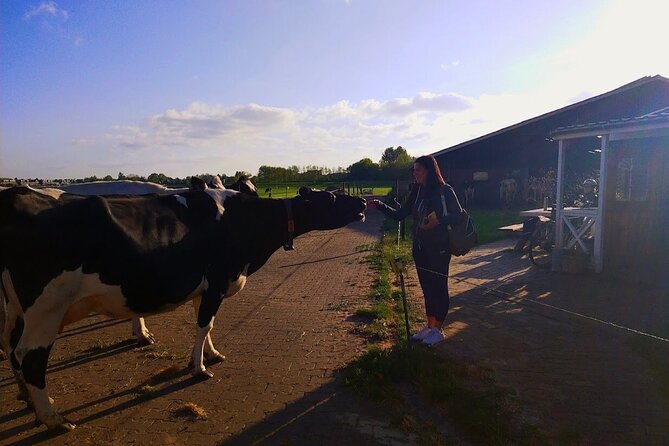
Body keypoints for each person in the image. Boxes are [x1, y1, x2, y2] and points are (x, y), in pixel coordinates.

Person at [367, 155, 463, 346]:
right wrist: (379, 206)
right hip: (420, 247)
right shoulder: (417, 190)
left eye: (418, 170)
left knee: (439, 287)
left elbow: (458, 215)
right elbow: (400, 214)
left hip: (440, 247)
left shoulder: (445, 190)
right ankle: (429, 326)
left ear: (429, 171)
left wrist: (438, 221)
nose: (415, 173)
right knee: (427, 287)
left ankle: (438, 330)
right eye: (414, 170)